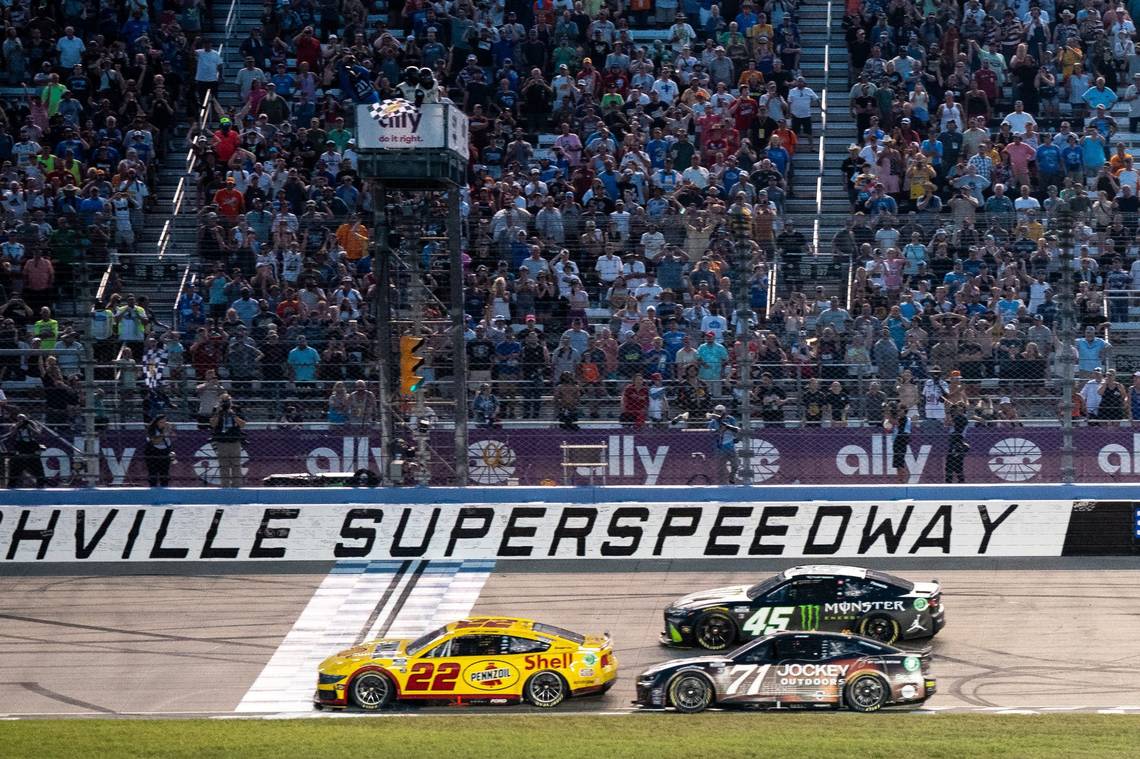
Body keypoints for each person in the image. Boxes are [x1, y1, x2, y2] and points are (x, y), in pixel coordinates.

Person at [210, 394, 245, 488]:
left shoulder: (236, 409)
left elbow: (242, 424)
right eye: (223, 401)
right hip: (221, 441)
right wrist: (218, 412)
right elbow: (213, 424)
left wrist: (233, 415)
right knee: (223, 465)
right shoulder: (216, 410)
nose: (225, 403)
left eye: (227, 401)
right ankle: (225, 486)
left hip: (234, 441)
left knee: (236, 465)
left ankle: (237, 485)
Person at [3, 415, 46, 488]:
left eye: (23, 418)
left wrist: (30, 427)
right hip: (21, 445)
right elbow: (11, 435)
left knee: (37, 466)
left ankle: (41, 484)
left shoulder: (31, 424)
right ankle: (12, 484)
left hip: (31, 445)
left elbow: (38, 434)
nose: (21, 420)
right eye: (19, 418)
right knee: (16, 467)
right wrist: (17, 427)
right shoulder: (15, 425)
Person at [707, 403, 741, 484]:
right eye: (717, 411)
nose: (718, 413)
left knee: (736, 464)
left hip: (730, 446)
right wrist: (720, 431)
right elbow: (710, 433)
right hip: (719, 447)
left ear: (724, 412)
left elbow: (737, 430)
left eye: (720, 411)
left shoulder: (730, 419)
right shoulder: (713, 422)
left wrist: (728, 428)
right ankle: (721, 484)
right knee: (720, 468)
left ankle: (732, 477)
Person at [143, 415, 175, 487]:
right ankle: (153, 488)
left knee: (164, 473)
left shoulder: (166, 428)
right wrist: (164, 433)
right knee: (153, 472)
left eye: (165, 422)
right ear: (156, 423)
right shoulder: (152, 430)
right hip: (152, 452)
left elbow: (174, 437)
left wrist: (171, 429)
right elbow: (155, 442)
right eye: (161, 422)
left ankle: (164, 488)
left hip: (165, 451)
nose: (163, 424)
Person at [883, 403, 912, 483]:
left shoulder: (905, 419)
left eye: (899, 410)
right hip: (897, 441)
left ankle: (903, 479)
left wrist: (887, 412)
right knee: (897, 463)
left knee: (900, 461)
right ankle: (900, 480)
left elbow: (894, 422)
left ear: (904, 411)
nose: (898, 412)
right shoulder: (900, 418)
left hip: (901, 441)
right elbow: (889, 426)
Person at [944, 403, 970, 483]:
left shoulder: (962, 418)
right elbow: (946, 424)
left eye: (959, 408)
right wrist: (949, 412)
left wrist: (949, 413)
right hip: (954, 441)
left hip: (957, 440)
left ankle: (952, 481)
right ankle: (960, 481)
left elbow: (950, 424)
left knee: (951, 464)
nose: (956, 410)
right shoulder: (956, 417)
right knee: (956, 464)